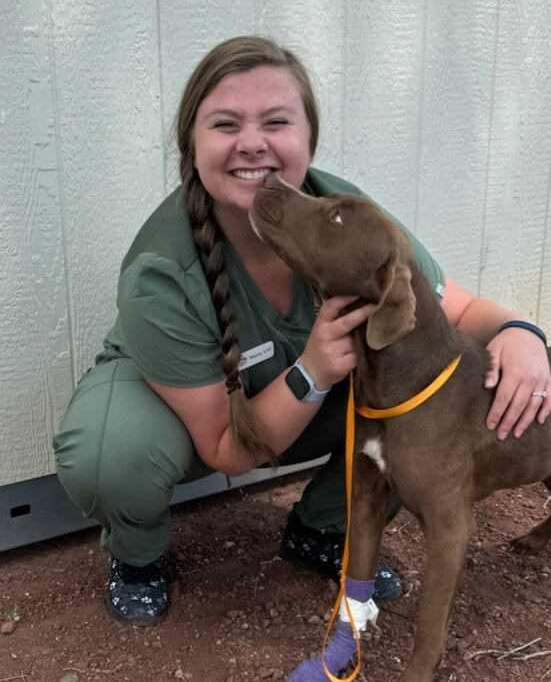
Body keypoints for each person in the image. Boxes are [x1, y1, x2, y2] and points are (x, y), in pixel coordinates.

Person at [53, 36, 550, 627]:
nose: (252, 142)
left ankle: (322, 528)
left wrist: (523, 332)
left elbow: (460, 313)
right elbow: (227, 450)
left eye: (277, 120)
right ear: (191, 144)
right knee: (114, 452)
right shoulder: (162, 271)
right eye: (225, 123)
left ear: (308, 138)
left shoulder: (343, 213)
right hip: (195, 411)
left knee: (421, 397)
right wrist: (313, 369)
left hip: (302, 389)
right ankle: (137, 560)